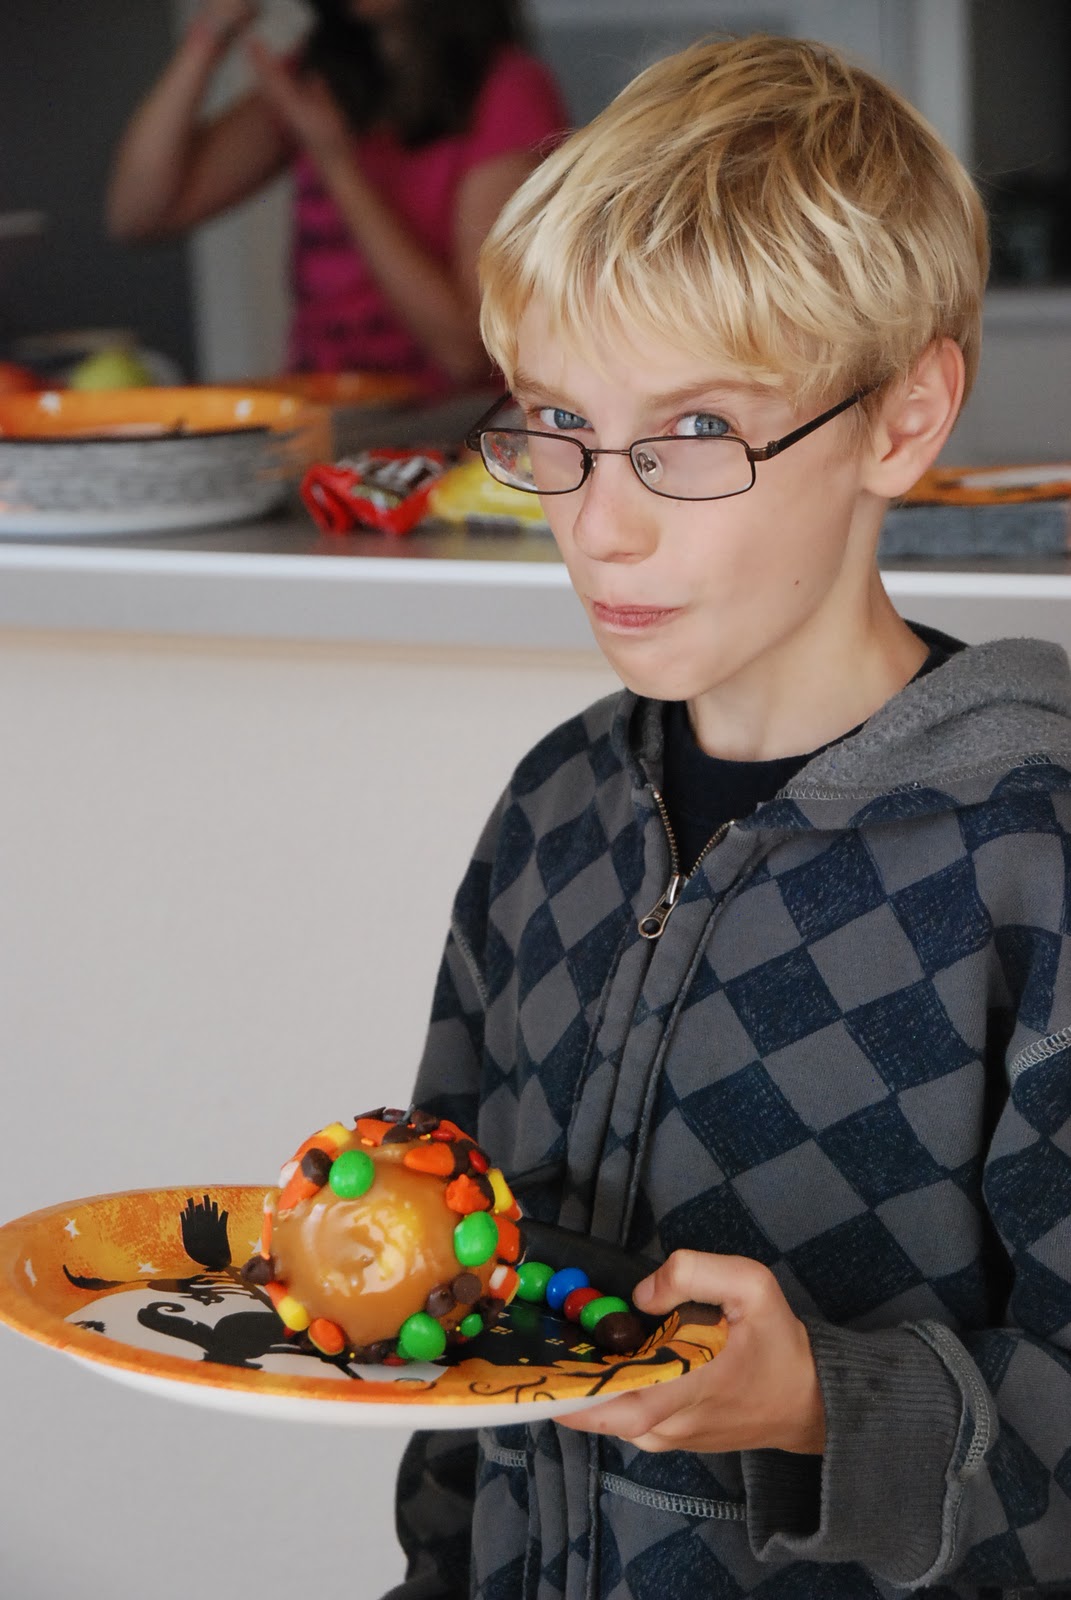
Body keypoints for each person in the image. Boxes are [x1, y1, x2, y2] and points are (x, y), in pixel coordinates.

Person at [385, 29, 1071, 1599]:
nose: (597, 524)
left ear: (899, 420)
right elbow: (450, 1311)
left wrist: (820, 1402)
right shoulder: (551, 809)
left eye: (692, 432)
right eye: (555, 424)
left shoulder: (1029, 858)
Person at [106, 0, 568, 394]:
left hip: (446, 428)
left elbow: (467, 354)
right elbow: (139, 214)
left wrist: (336, 163)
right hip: (328, 421)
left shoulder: (511, 92)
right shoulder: (321, 78)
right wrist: (209, 34)